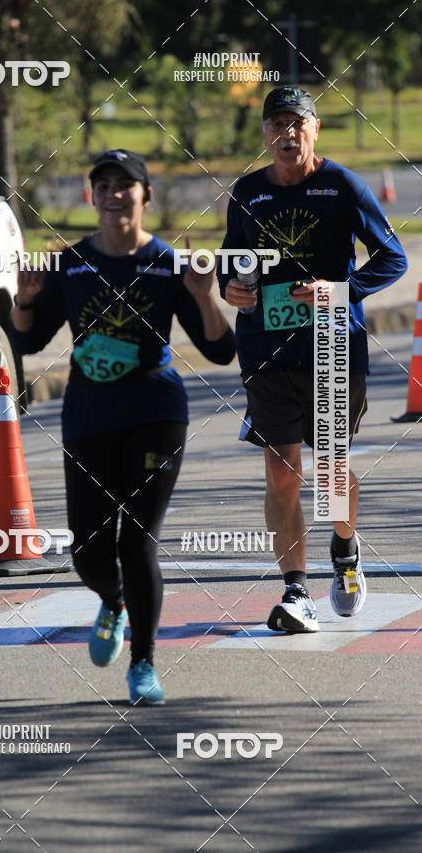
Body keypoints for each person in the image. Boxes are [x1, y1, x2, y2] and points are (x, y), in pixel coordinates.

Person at [10, 149, 235, 704]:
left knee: (137, 541)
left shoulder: (166, 264)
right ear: (92, 197)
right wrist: (24, 300)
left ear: (145, 196)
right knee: (88, 551)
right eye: (103, 186)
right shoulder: (71, 265)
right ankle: (112, 602)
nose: (114, 195)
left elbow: (221, 348)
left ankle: (144, 664)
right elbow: (29, 342)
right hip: (89, 415)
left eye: (125, 186)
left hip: (155, 413)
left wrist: (205, 298)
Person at [219, 86, 407, 633]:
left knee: (328, 473)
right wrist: (231, 287)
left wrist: (339, 289)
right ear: (265, 134)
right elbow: (233, 261)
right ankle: (295, 591)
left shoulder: (341, 185)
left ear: (315, 129)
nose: (287, 135)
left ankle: (344, 551)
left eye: (297, 124)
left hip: (331, 346)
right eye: (277, 125)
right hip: (264, 349)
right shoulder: (249, 192)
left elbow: (392, 257)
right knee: (281, 471)